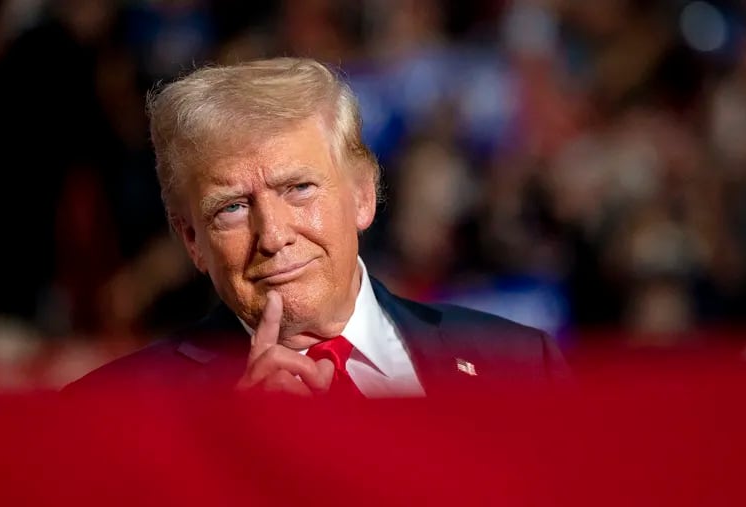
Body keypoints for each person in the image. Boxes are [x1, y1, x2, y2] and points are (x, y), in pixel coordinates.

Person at [65, 57, 569, 397]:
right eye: (232, 208)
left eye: (299, 188)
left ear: (362, 196)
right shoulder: (112, 407)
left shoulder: (523, 364)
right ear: (192, 241)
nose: (274, 235)